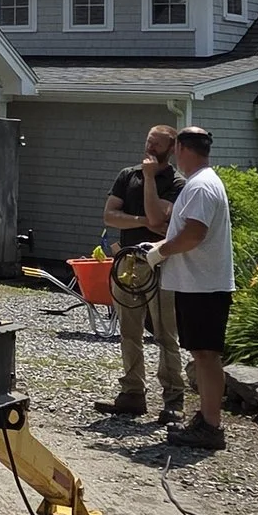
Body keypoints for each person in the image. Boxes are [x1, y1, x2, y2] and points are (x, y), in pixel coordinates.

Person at [145, 125, 234, 450]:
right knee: (202, 354)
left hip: (204, 287)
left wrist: (161, 252)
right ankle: (207, 419)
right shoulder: (203, 183)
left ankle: (211, 427)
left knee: (207, 356)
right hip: (200, 284)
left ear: (182, 148)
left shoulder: (200, 187)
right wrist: (159, 244)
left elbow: (194, 234)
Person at [96, 123, 185, 419]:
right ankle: (133, 392)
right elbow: (110, 216)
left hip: (159, 262)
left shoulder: (178, 183)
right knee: (129, 331)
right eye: (148, 141)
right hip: (127, 260)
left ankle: (173, 398)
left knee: (164, 333)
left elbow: (162, 217)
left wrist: (149, 179)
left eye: (157, 144)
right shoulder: (126, 175)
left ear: (171, 149)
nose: (150, 148)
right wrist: (141, 220)